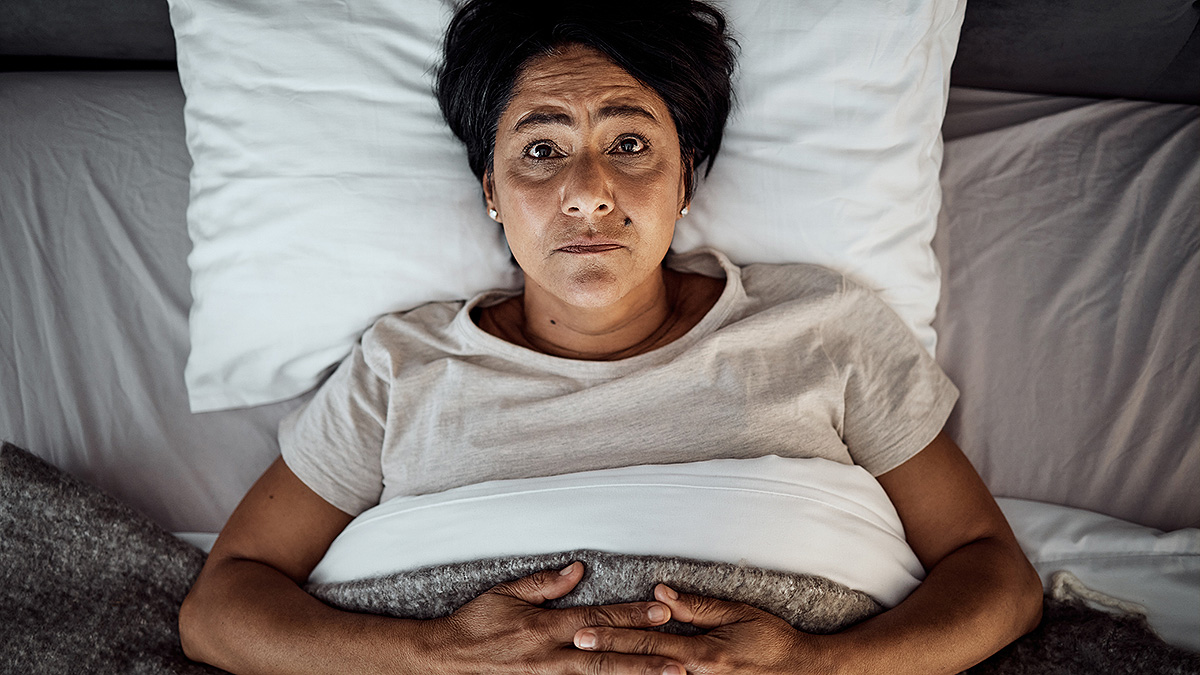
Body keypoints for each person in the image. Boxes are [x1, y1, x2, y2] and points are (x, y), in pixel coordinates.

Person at [178, 1, 1044, 672]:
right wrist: (435, 654)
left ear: (686, 179)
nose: (589, 192)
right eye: (542, 151)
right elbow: (221, 605)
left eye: (628, 142)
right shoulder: (402, 364)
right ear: (491, 188)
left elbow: (992, 571)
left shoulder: (825, 327)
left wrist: (822, 662)